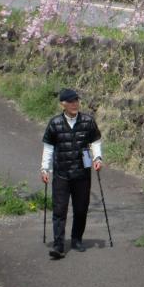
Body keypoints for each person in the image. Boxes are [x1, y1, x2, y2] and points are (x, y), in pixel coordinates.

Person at [40, 88, 103, 259]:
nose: (74, 104)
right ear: (63, 104)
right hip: (61, 173)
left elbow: (96, 141)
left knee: (81, 209)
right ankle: (59, 245)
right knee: (59, 210)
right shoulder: (55, 123)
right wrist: (45, 169)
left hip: (82, 173)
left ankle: (76, 239)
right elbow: (48, 148)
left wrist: (97, 158)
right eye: (70, 101)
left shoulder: (88, 121)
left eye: (76, 101)